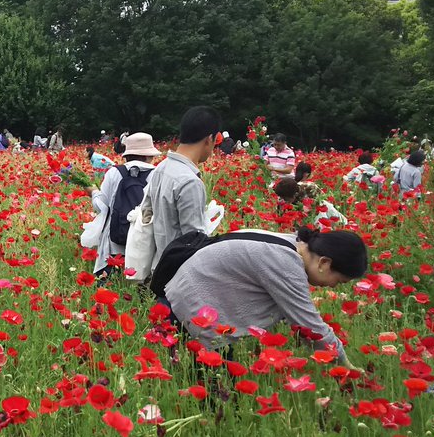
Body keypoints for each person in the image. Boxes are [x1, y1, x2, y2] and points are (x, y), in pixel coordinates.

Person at [164, 227, 367, 368]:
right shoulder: (286, 264)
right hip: (193, 303)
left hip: (186, 291)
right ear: (324, 262)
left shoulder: (292, 243)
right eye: (338, 280)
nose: (333, 286)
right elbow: (310, 325)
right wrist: (347, 366)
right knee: (217, 387)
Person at [144, 106, 222, 254]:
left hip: (161, 260)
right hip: (180, 268)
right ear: (210, 139)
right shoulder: (189, 181)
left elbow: (146, 212)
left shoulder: (161, 168)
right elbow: (193, 242)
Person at [91, 133, 160, 276]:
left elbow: (102, 207)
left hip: (114, 243)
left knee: (111, 285)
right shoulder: (158, 175)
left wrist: (93, 193)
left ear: (127, 154)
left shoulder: (114, 173)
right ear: (150, 156)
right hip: (144, 243)